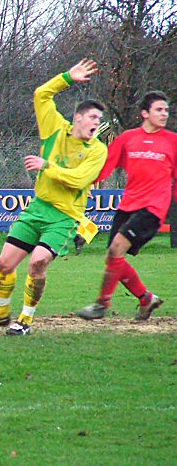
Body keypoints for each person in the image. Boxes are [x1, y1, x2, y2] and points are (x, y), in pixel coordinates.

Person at [0, 59, 108, 336]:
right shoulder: (56, 129)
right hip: (38, 209)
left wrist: (48, 166)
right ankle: (0, 314)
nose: (97, 123)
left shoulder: (97, 150)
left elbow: (80, 179)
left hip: (65, 216)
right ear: (78, 117)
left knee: (37, 262)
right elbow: (41, 95)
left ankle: (25, 320)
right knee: (5, 263)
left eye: (100, 120)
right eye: (93, 117)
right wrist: (67, 78)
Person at [77, 91, 176, 321]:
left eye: (166, 110)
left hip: (153, 208)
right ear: (145, 113)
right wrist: (82, 181)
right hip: (129, 205)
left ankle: (101, 305)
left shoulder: (172, 141)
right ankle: (146, 298)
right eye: (159, 110)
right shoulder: (128, 138)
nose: (164, 114)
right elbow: (106, 165)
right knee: (114, 258)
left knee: (115, 250)